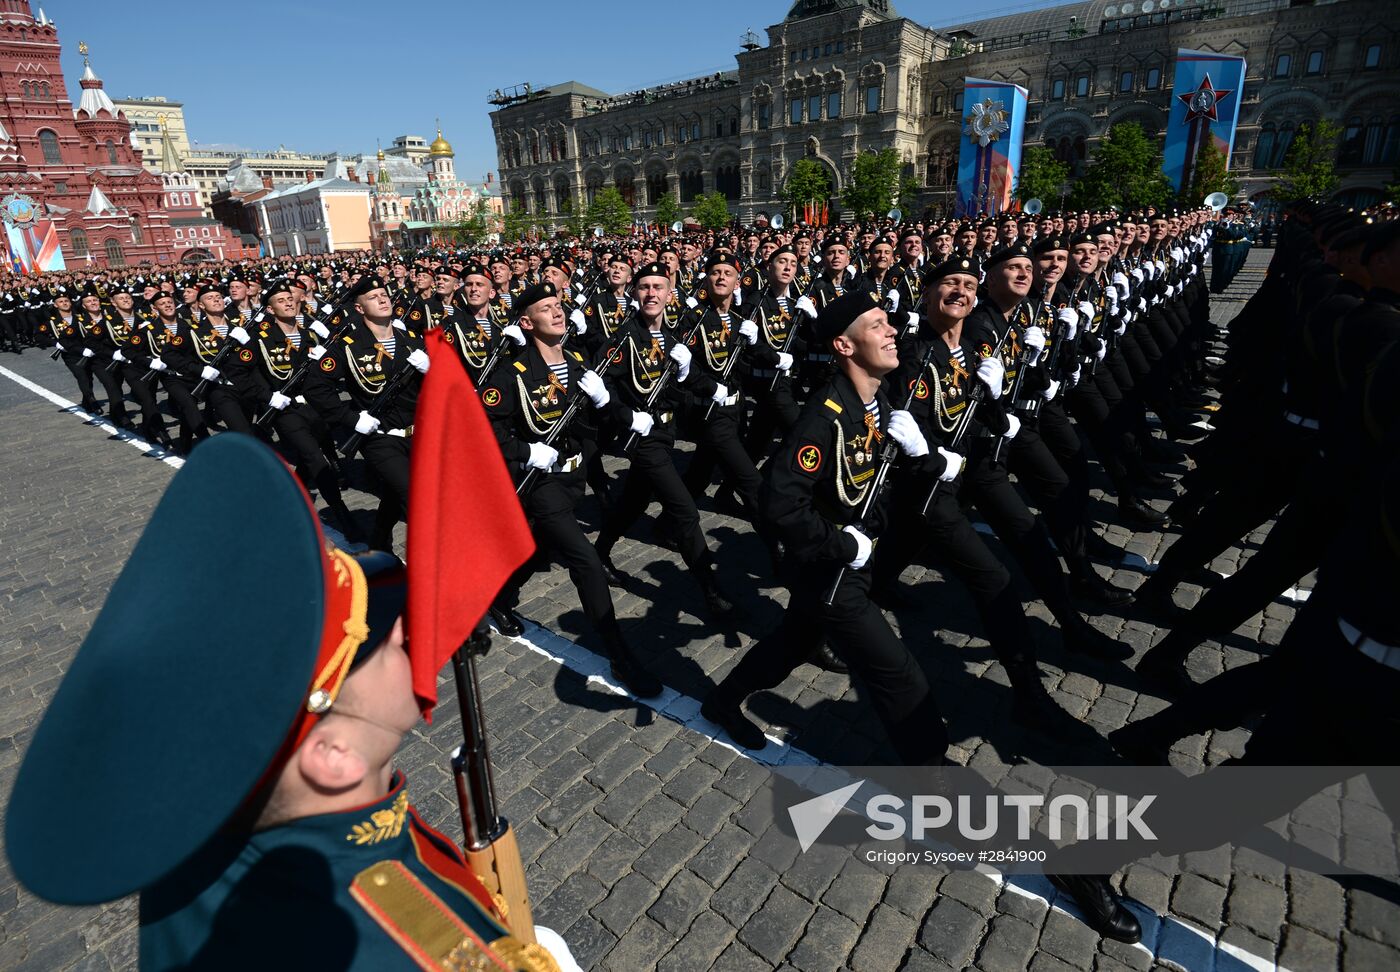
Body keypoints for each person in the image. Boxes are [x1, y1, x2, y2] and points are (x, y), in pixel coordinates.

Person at [5, 434, 578, 971]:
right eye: (373, 643)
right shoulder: (425, 951)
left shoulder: (197, 834)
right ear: (334, 759)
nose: (405, 632)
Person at [702, 289, 949, 765]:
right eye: (876, 325)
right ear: (844, 346)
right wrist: (840, 545)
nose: (891, 331)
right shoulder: (824, 416)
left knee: (791, 642)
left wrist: (925, 458)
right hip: (833, 572)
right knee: (899, 675)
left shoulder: (877, 402)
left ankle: (721, 701)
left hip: (849, 561)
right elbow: (779, 503)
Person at [481, 282, 662, 697]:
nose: (557, 312)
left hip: (575, 478)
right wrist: (525, 449)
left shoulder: (579, 362)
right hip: (541, 483)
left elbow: (604, 418)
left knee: (538, 550)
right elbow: (485, 432)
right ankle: (621, 656)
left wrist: (614, 409)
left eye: (558, 305)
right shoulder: (511, 373)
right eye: (546, 309)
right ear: (527, 323)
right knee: (585, 562)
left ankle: (498, 596)